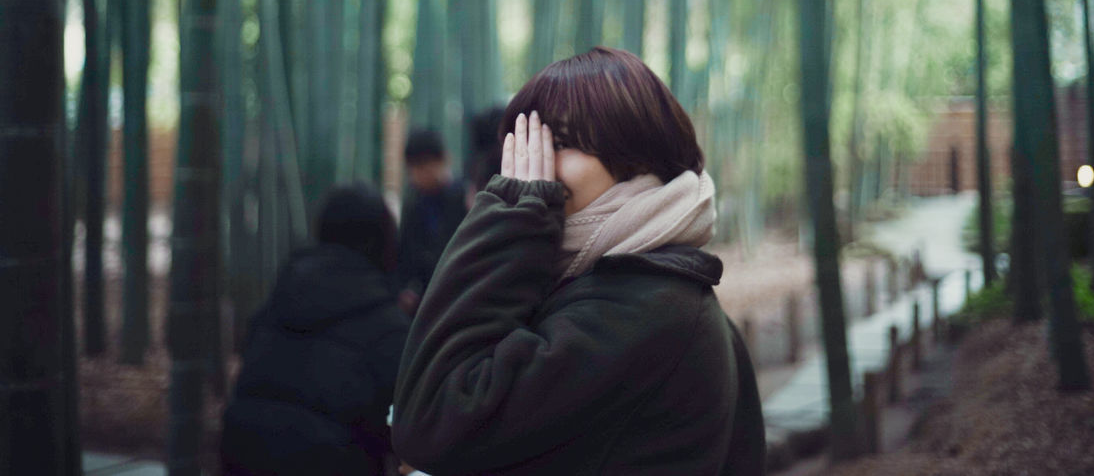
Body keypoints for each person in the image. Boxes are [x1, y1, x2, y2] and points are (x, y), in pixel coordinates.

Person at [392, 47, 766, 475]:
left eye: (560, 144)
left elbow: (430, 420)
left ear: (634, 153)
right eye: (529, 145)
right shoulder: (641, 289)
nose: (537, 169)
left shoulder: (644, 310)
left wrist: (512, 217)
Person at [221, 184, 408, 476]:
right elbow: (399, 434)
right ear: (384, 241)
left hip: (243, 460)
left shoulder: (277, 300)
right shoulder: (387, 325)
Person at [396, 128, 468, 317]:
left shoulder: (464, 197)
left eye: (423, 166)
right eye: (414, 168)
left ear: (443, 160)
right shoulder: (414, 202)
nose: (418, 175)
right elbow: (405, 255)